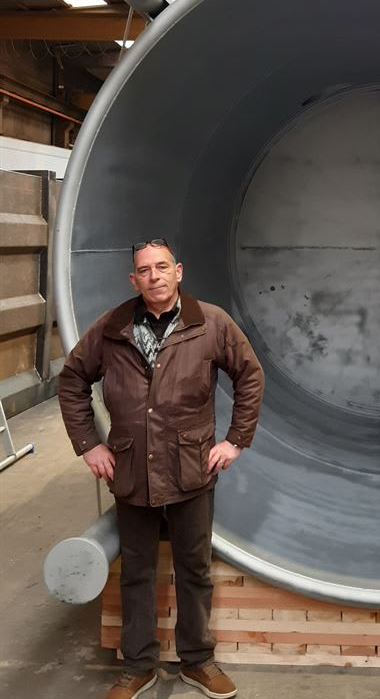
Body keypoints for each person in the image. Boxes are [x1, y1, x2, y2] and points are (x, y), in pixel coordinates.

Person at [58, 238, 265, 699]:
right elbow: (72, 379)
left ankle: (198, 661)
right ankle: (138, 665)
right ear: (134, 280)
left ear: (179, 271)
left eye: (162, 266)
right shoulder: (112, 327)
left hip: (190, 467)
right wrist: (89, 444)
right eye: (144, 270)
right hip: (132, 469)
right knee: (136, 571)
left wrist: (235, 440)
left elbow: (249, 375)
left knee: (194, 569)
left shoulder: (210, 323)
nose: (154, 276)